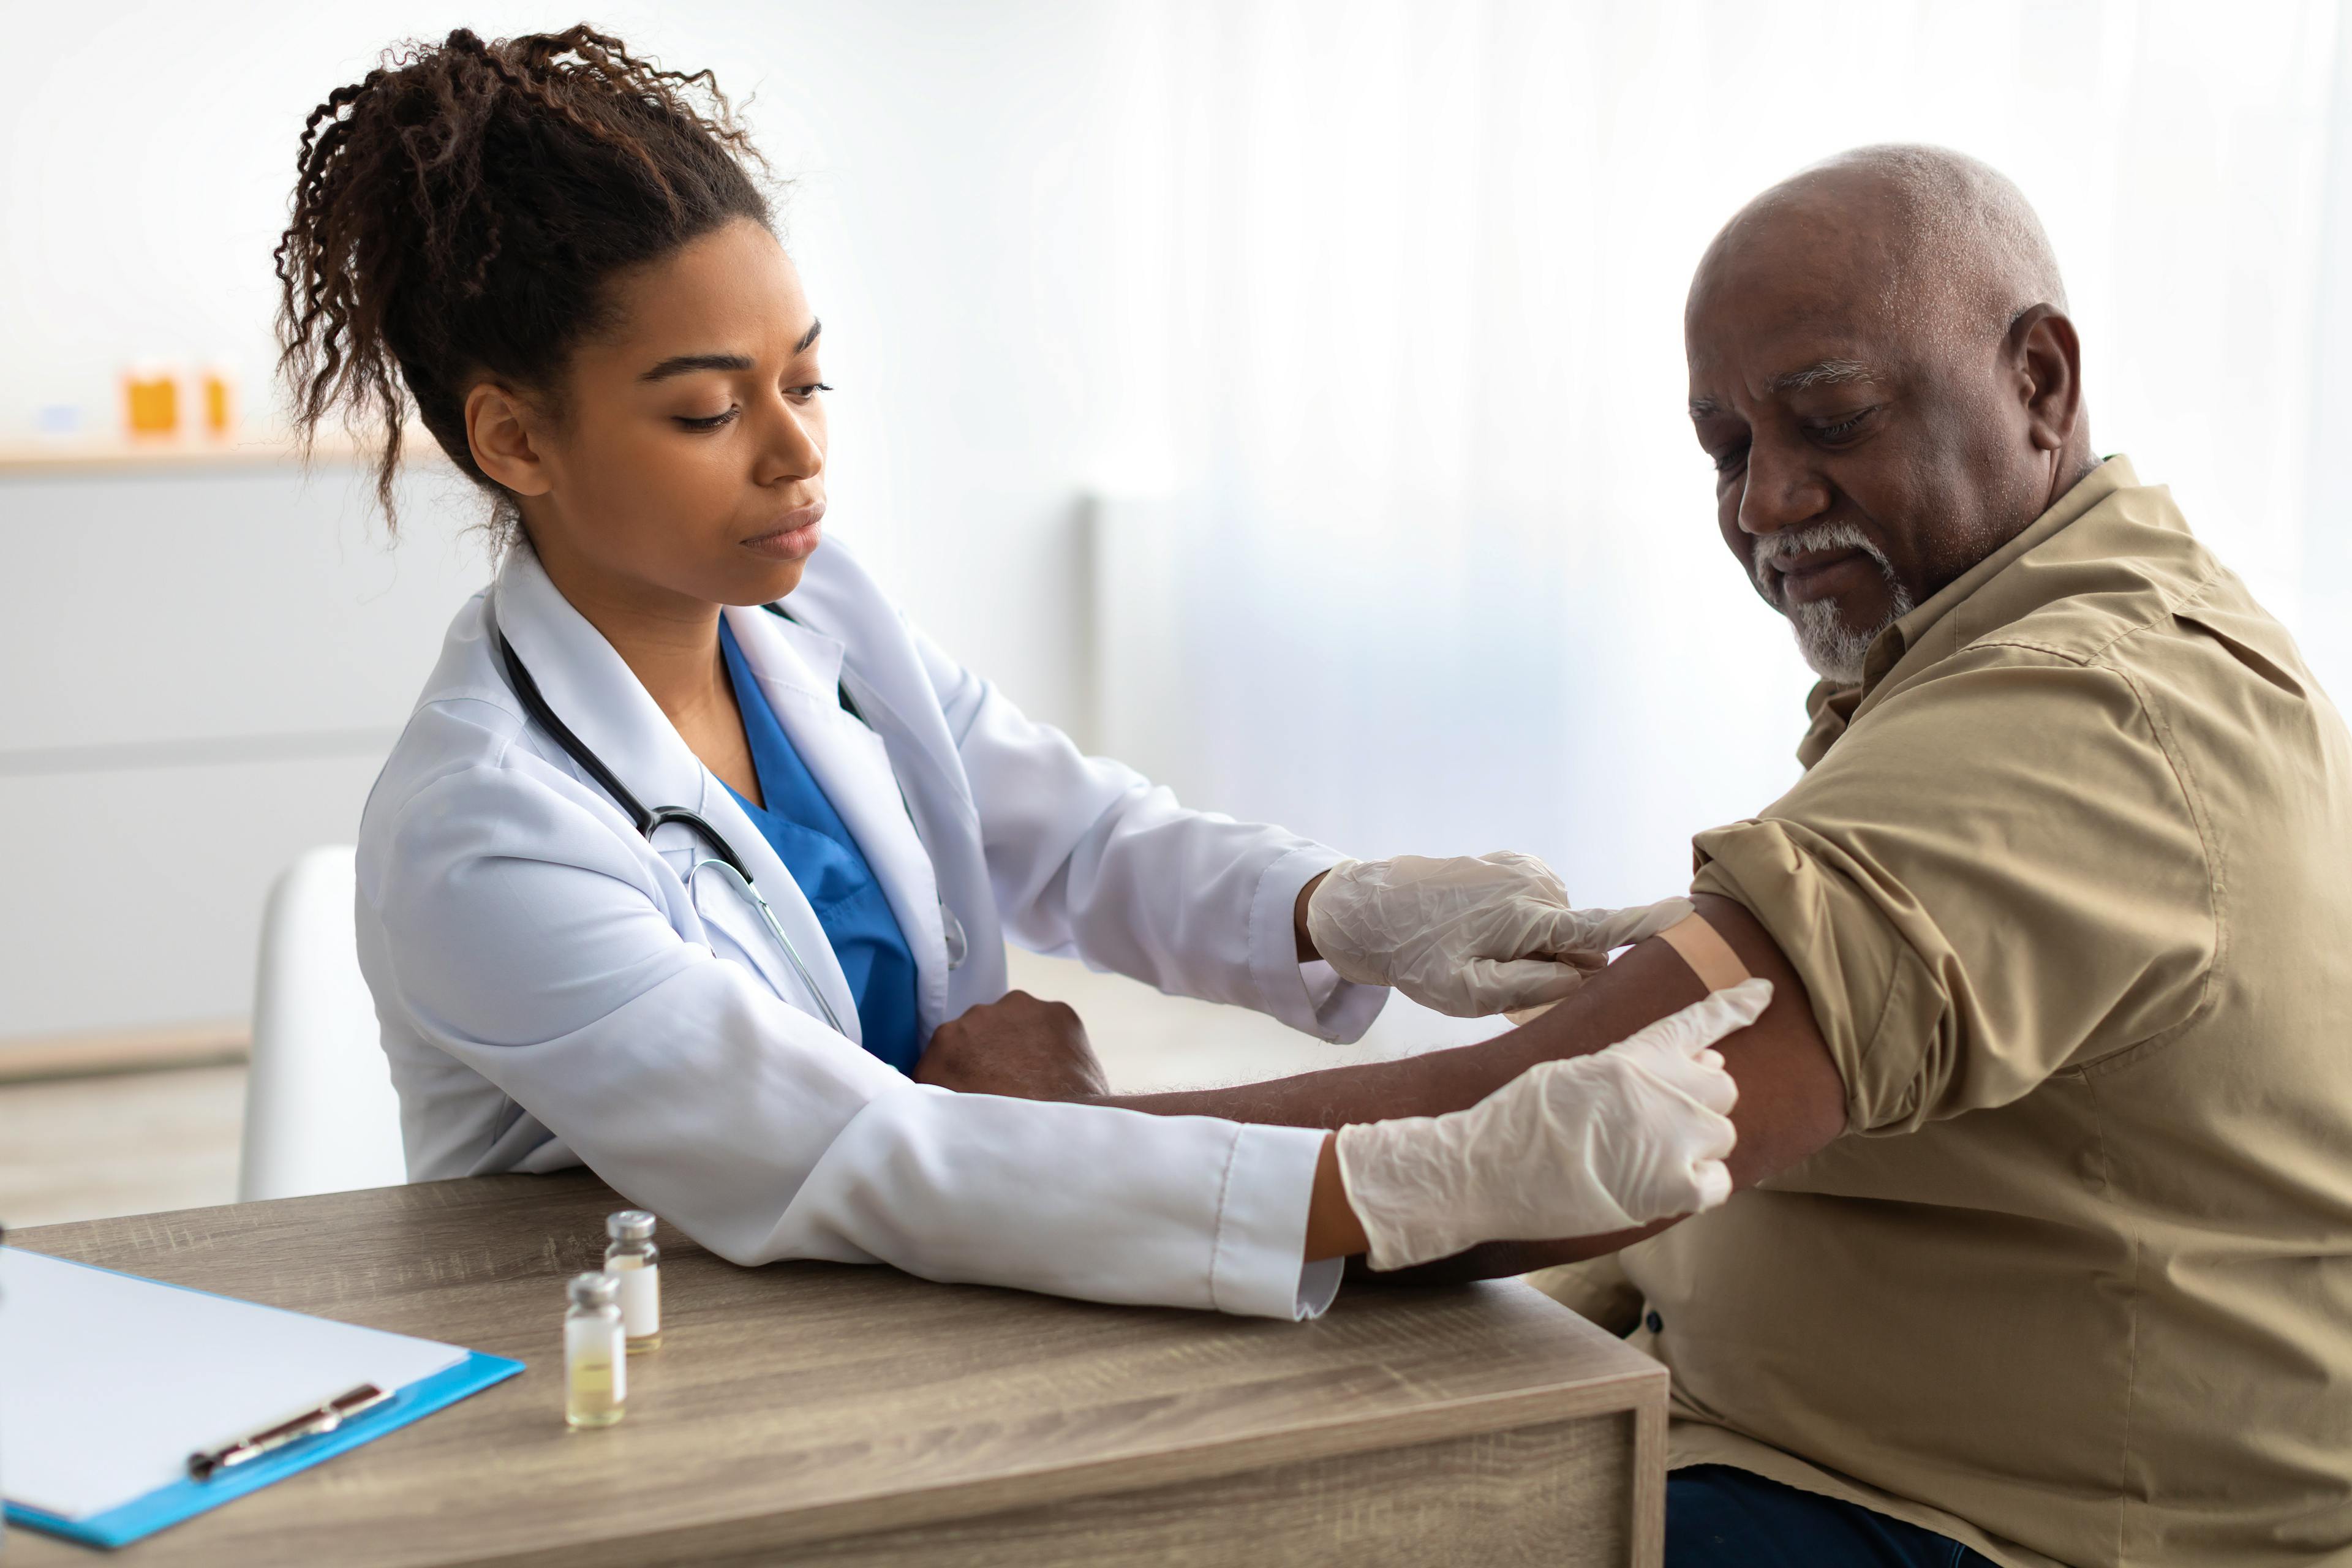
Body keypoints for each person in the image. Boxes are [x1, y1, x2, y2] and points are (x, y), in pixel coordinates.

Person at [947, 146, 2352, 1568]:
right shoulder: (2026, 637)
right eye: (1729, 451)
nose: (1767, 503)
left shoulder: (2081, 712)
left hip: (1969, 1520)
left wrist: (1070, 1138)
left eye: (1831, 418)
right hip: (1818, 1435)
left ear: (2039, 380)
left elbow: (1548, 1125)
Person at [285, 28, 1744, 1323]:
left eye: (807, 381)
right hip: (656, 1356)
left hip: (918, 1294)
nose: (796, 451)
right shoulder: (483, 826)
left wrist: (1340, 908)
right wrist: (1399, 1178)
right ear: (516, 441)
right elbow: (855, 1149)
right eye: (711, 409)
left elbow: (1080, 835)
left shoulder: (813, 619)